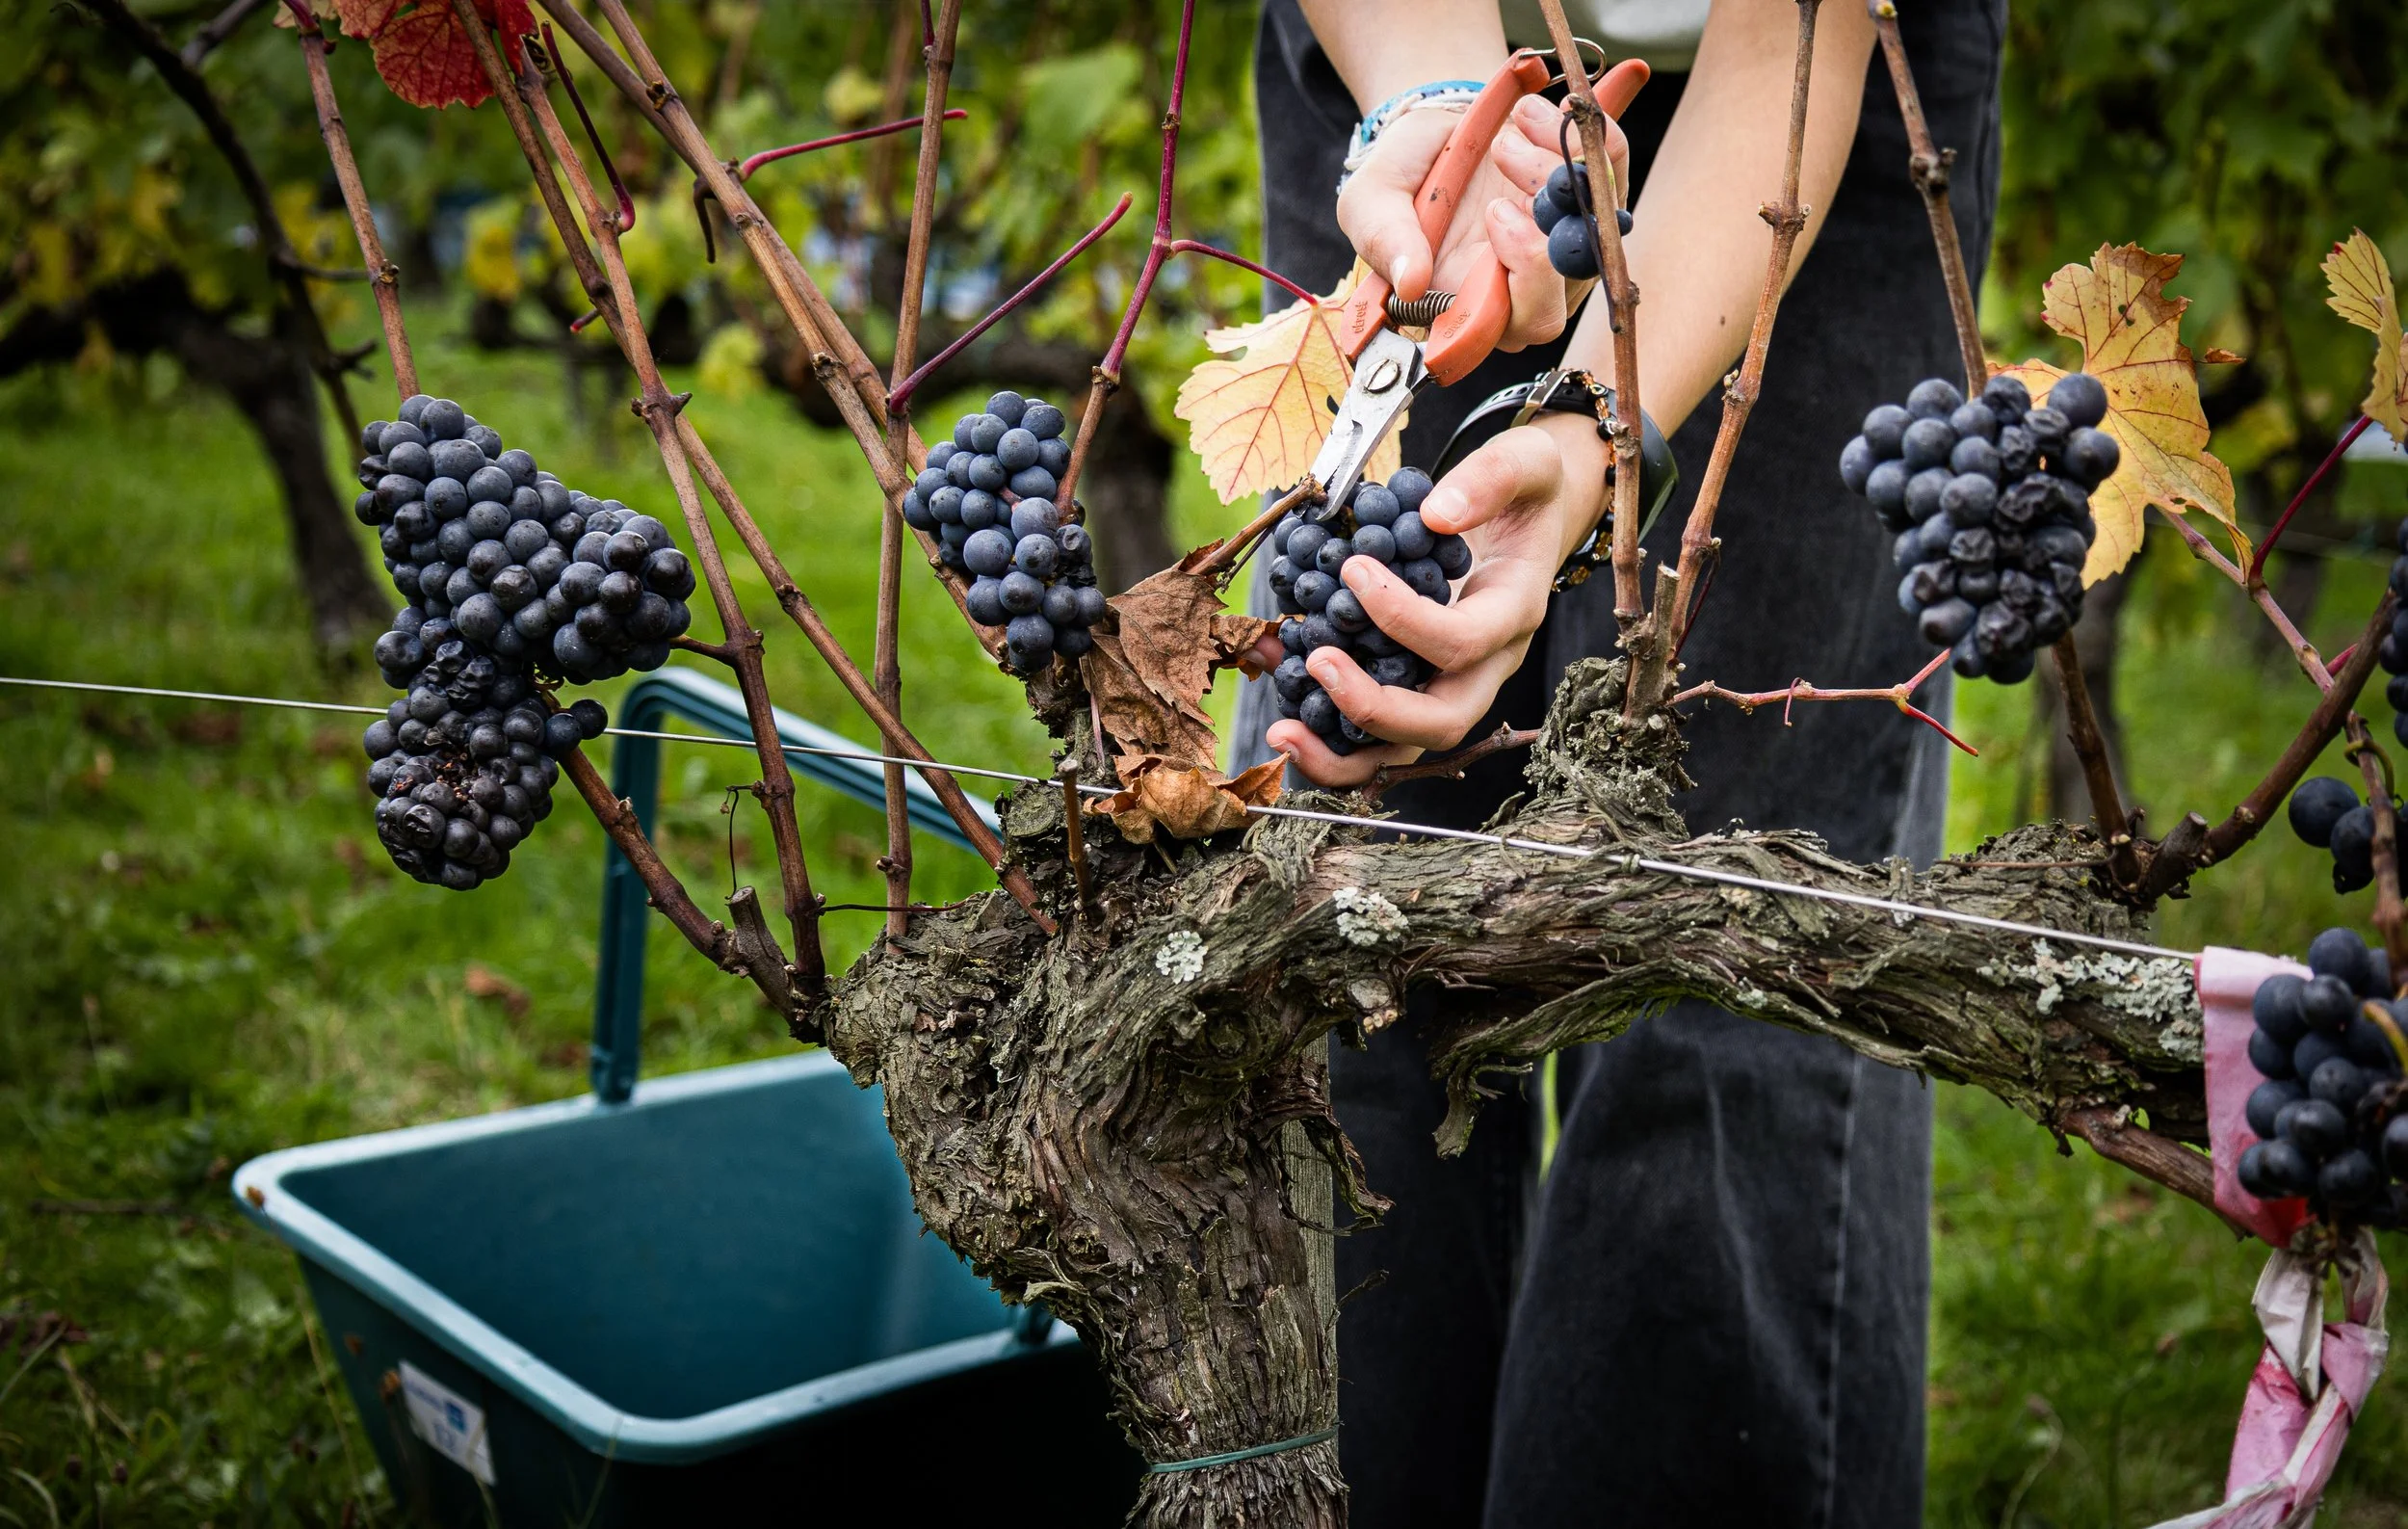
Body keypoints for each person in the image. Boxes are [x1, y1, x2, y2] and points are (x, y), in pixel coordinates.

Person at [1229, 1, 2004, 1522]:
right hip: (1419, 93)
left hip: (1801, 107)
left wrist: (1594, 420)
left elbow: (1798, 44)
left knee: (1734, 957)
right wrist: (1432, 96)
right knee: (1345, 932)